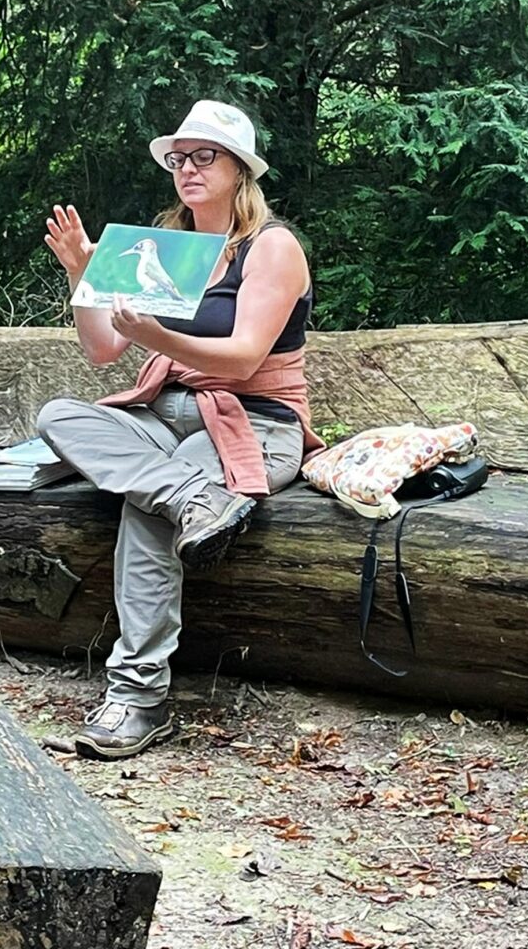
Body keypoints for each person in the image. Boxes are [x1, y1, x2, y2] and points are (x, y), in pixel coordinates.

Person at [38, 99, 323, 760]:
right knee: (60, 415)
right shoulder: (171, 246)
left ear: (239, 170)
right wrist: (84, 275)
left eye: (205, 156)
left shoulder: (272, 246)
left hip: (254, 420)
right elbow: (105, 352)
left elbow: (247, 356)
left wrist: (160, 335)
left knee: (148, 509)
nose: (188, 168)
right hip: (168, 410)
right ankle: (195, 499)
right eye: (179, 158)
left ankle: (137, 698)